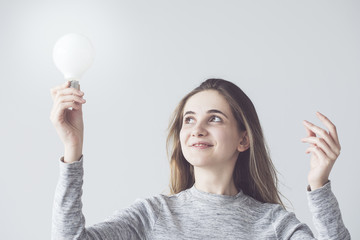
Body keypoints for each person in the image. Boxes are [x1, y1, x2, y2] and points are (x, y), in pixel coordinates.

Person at [50, 78, 350, 239]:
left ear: (244, 139)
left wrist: (319, 185)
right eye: (189, 120)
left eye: (215, 119)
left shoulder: (275, 225)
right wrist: (72, 147)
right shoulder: (153, 214)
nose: (197, 130)